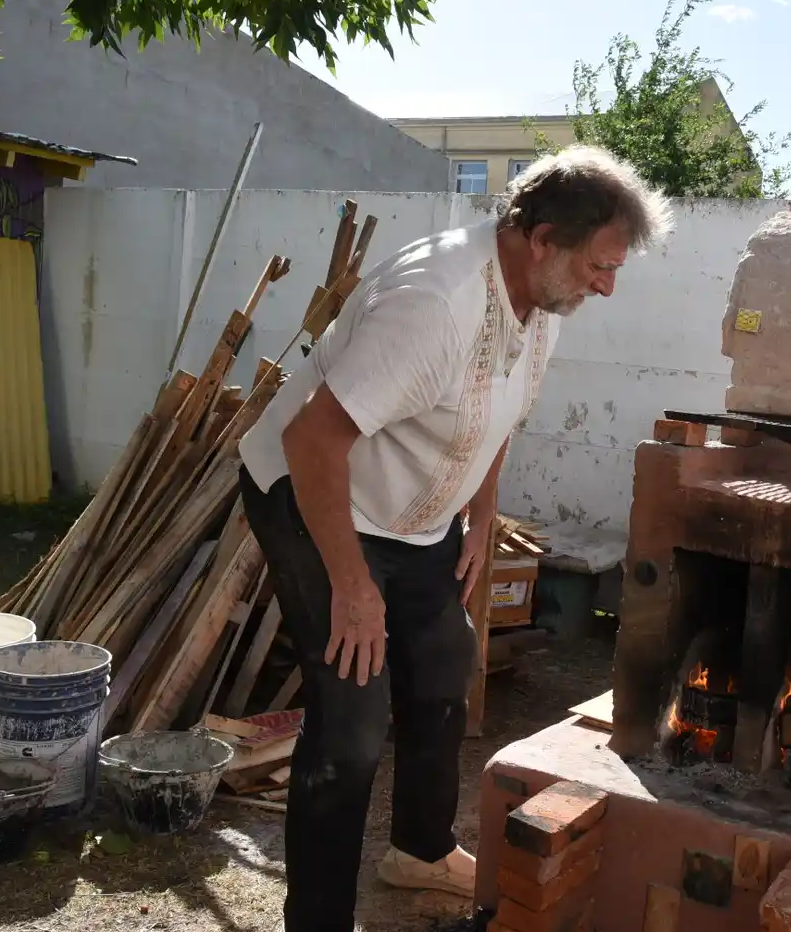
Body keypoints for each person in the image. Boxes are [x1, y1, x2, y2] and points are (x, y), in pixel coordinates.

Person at [236, 146, 671, 932]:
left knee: (443, 662)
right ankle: (317, 920)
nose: (607, 284)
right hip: (313, 498)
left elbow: (500, 412)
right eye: (599, 265)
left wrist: (481, 515)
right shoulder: (435, 303)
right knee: (352, 720)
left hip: (412, 514)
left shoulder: (544, 301)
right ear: (540, 238)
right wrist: (354, 588)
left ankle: (419, 853)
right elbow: (310, 443)